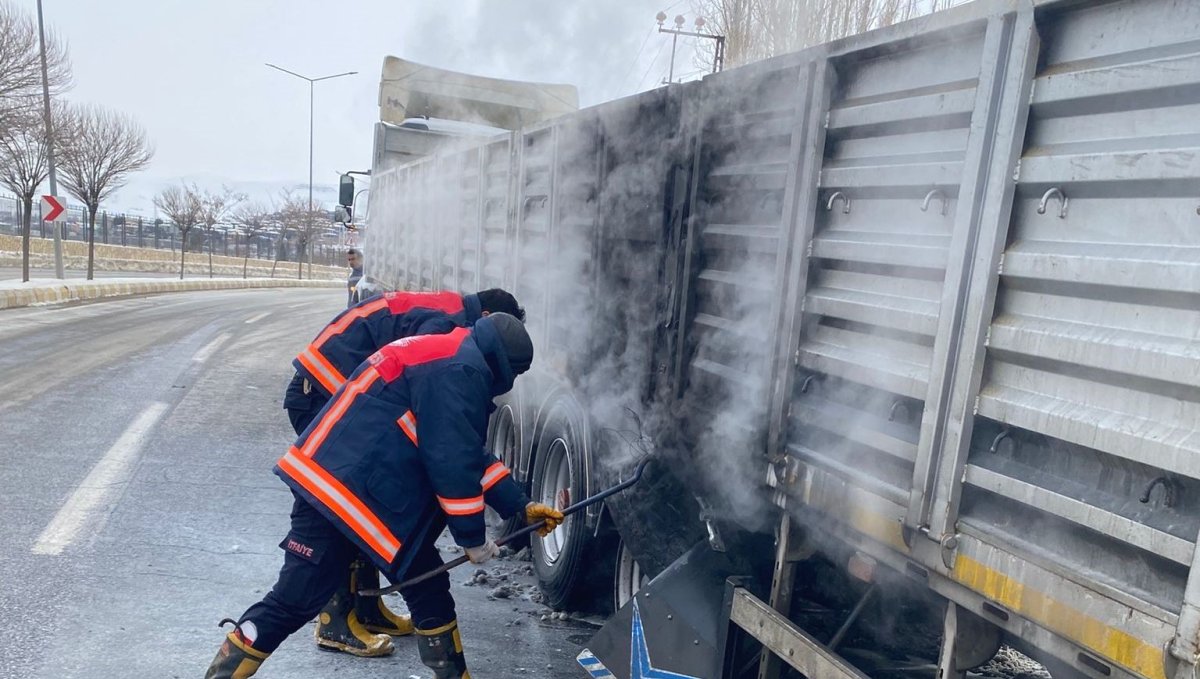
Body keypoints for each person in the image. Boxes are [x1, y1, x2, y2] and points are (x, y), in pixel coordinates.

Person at [206, 314, 562, 679]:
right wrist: (472, 539)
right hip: (343, 494)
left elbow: (465, 448)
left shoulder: (451, 353)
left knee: (427, 585)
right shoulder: (460, 371)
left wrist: (520, 507)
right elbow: (452, 461)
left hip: (356, 488)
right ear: (503, 365)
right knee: (295, 598)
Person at [282, 288, 525, 657]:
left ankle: (367, 608)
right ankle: (334, 620)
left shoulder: (452, 313)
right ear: (487, 316)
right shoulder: (446, 329)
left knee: (367, 510)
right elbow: (436, 420)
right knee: (347, 504)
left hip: (328, 384)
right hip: (322, 389)